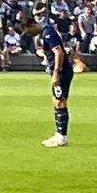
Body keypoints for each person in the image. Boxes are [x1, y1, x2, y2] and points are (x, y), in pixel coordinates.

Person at [41, 15, 81, 148]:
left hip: (62, 72)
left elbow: (59, 53)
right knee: (56, 100)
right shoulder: (47, 31)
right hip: (59, 71)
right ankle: (59, 134)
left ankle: (62, 137)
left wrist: (56, 73)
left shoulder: (48, 32)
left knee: (60, 101)